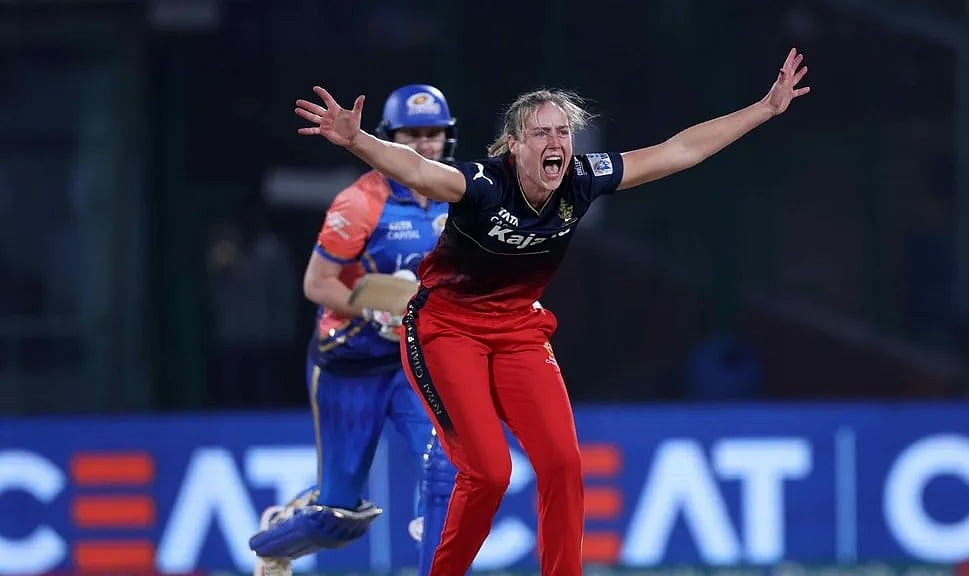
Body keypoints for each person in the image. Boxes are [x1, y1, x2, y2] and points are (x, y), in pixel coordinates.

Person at [293, 48, 810, 576]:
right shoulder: (483, 184)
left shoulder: (582, 180)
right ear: (514, 146)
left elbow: (680, 150)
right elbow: (422, 173)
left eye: (563, 132)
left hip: (519, 331)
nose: (556, 142)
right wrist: (357, 139)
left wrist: (764, 109)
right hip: (445, 331)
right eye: (540, 133)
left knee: (564, 464)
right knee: (489, 473)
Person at [248, 84, 461, 576]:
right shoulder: (360, 202)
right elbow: (316, 283)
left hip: (414, 362)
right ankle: (276, 535)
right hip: (351, 363)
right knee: (340, 517)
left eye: (434, 134)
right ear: (389, 137)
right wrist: (375, 312)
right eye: (412, 134)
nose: (424, 145)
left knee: (450, 466)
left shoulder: (456, 194)